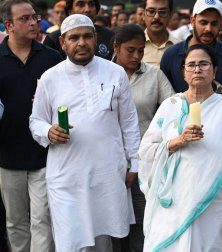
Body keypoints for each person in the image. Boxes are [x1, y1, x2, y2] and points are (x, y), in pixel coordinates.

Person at [29, 14, 140, 252]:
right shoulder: (50, 78)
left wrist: (135, 164)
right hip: (67, 176)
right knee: (71, 240)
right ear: (63, 43)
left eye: (87, 36)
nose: (81, 43)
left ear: (96, 38)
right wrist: (49, 131)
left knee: (102, 240)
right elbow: (35, 120)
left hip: (107, 173)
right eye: (74, 37)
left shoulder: (115, 73)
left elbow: (129, 122)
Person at [139, 43, 222, 252]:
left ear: (214, 70)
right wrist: (177, 141)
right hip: (172, 203)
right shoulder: (170, 106)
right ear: (183, 73)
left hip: (213, 204)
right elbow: (146, 151)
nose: (197, 69)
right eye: (191, 65)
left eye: (204, 64)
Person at [0, 0, 62, 251]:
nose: (33, 23)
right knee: (15, 222)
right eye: (24, 19)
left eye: (34, 17)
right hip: (6, 155)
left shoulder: (52, 57)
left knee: (42, 219)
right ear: (9, 25)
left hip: (45, 154)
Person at [112, 23, 175, 252]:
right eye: (130, 50)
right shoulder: (102, 74)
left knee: (143, 219)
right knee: (111, 221)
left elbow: (173, 107)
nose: (137, 56)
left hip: (144, 158)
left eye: (140, 50)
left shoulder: (154, 75)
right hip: (109, 158)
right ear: (116, 47)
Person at [161, 0, 222, 114]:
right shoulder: (171, 55)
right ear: (192, 21)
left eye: (214, 23)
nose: (208, 29)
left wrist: (214, 86)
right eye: (203, 22)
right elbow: (164, 104)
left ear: (220, 23)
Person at [44, 0, 114, 60]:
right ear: (70, 11)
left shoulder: (109, 36)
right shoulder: (53, 39)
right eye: (80, 4)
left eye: (91, 4)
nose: (87, 9)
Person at [142, 0, 179, 67]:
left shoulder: (180, 47)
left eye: (163, 12)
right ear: (143, 15)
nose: (156, 17)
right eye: (151, 11)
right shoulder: (133, 47)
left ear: (170, 15)